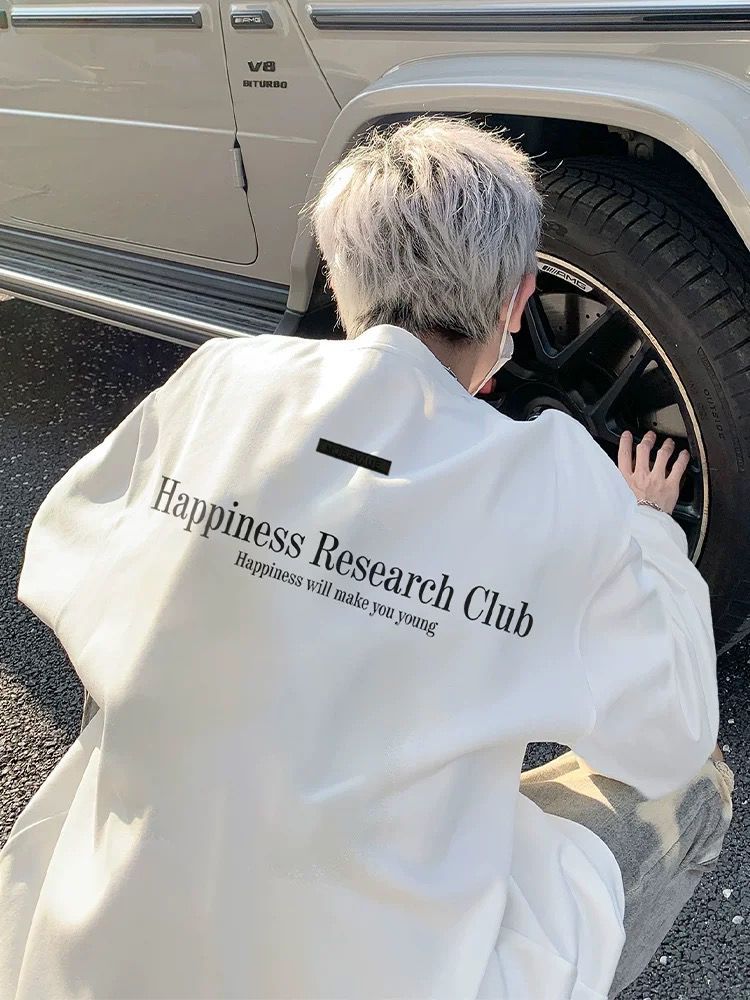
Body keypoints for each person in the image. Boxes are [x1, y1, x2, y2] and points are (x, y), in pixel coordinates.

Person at [0, 116, 733, 1000]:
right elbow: (668, 737)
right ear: (519, 301)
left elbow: (63, 554)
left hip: (88, 955)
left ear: (337, 273)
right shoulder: (560, 478)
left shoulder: (220, 380)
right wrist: (648, 533)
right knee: (698, 785)